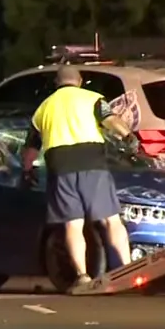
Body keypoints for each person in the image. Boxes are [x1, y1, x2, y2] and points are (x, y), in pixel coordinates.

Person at [21, 66, 138, 292]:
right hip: (92, 164)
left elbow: (31, 148)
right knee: (110, 220)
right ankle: (128, 269)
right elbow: (110, 119)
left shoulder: (43, 108)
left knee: (72, 225)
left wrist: (28, 170)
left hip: (61, 167)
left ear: (57, 83)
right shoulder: (93, 99)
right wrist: (128, 136)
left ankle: (82, 276)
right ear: (80, 81)